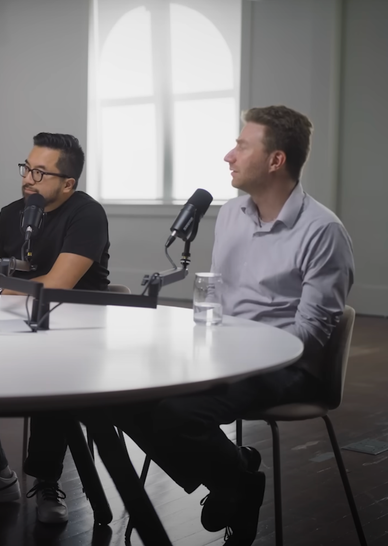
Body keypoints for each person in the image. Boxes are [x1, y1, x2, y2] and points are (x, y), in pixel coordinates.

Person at [116, 105, 354, 546]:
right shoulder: (230, 214)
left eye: (242, 146)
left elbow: (311, 335)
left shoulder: (323, 231)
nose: (229, 155)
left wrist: (236, 354)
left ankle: (234, 481)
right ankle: (236, 476)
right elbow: (218, 300)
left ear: (275, 160)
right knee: (122, 396)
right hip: (225, 355)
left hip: (289, 367)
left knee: (179, 414)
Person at [0, 133, 111, 525]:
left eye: (40, 172)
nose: (27, 179)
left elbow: (57, 285)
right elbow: (11, 280)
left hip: (76, 333)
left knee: (52, 365)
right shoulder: (10, 215)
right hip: (20, 323)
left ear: (68, 183)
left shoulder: (87, 214)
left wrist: (7, 290)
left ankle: (47, 481)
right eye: (26, 168)